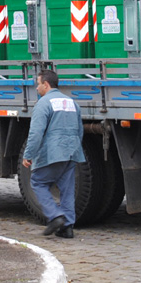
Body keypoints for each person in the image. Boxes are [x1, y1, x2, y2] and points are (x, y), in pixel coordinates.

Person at [21, 69, 85, 239]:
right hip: (72, 152)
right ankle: (68, 227)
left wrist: (28, 155)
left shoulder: (43, 104)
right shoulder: (72, 103)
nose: (36, 88)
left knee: (38, 182)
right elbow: (80, 130)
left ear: (46, 84)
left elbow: (35, 133)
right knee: (67, 189)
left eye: (38, 84)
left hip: (53, 152)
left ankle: (55, 216)